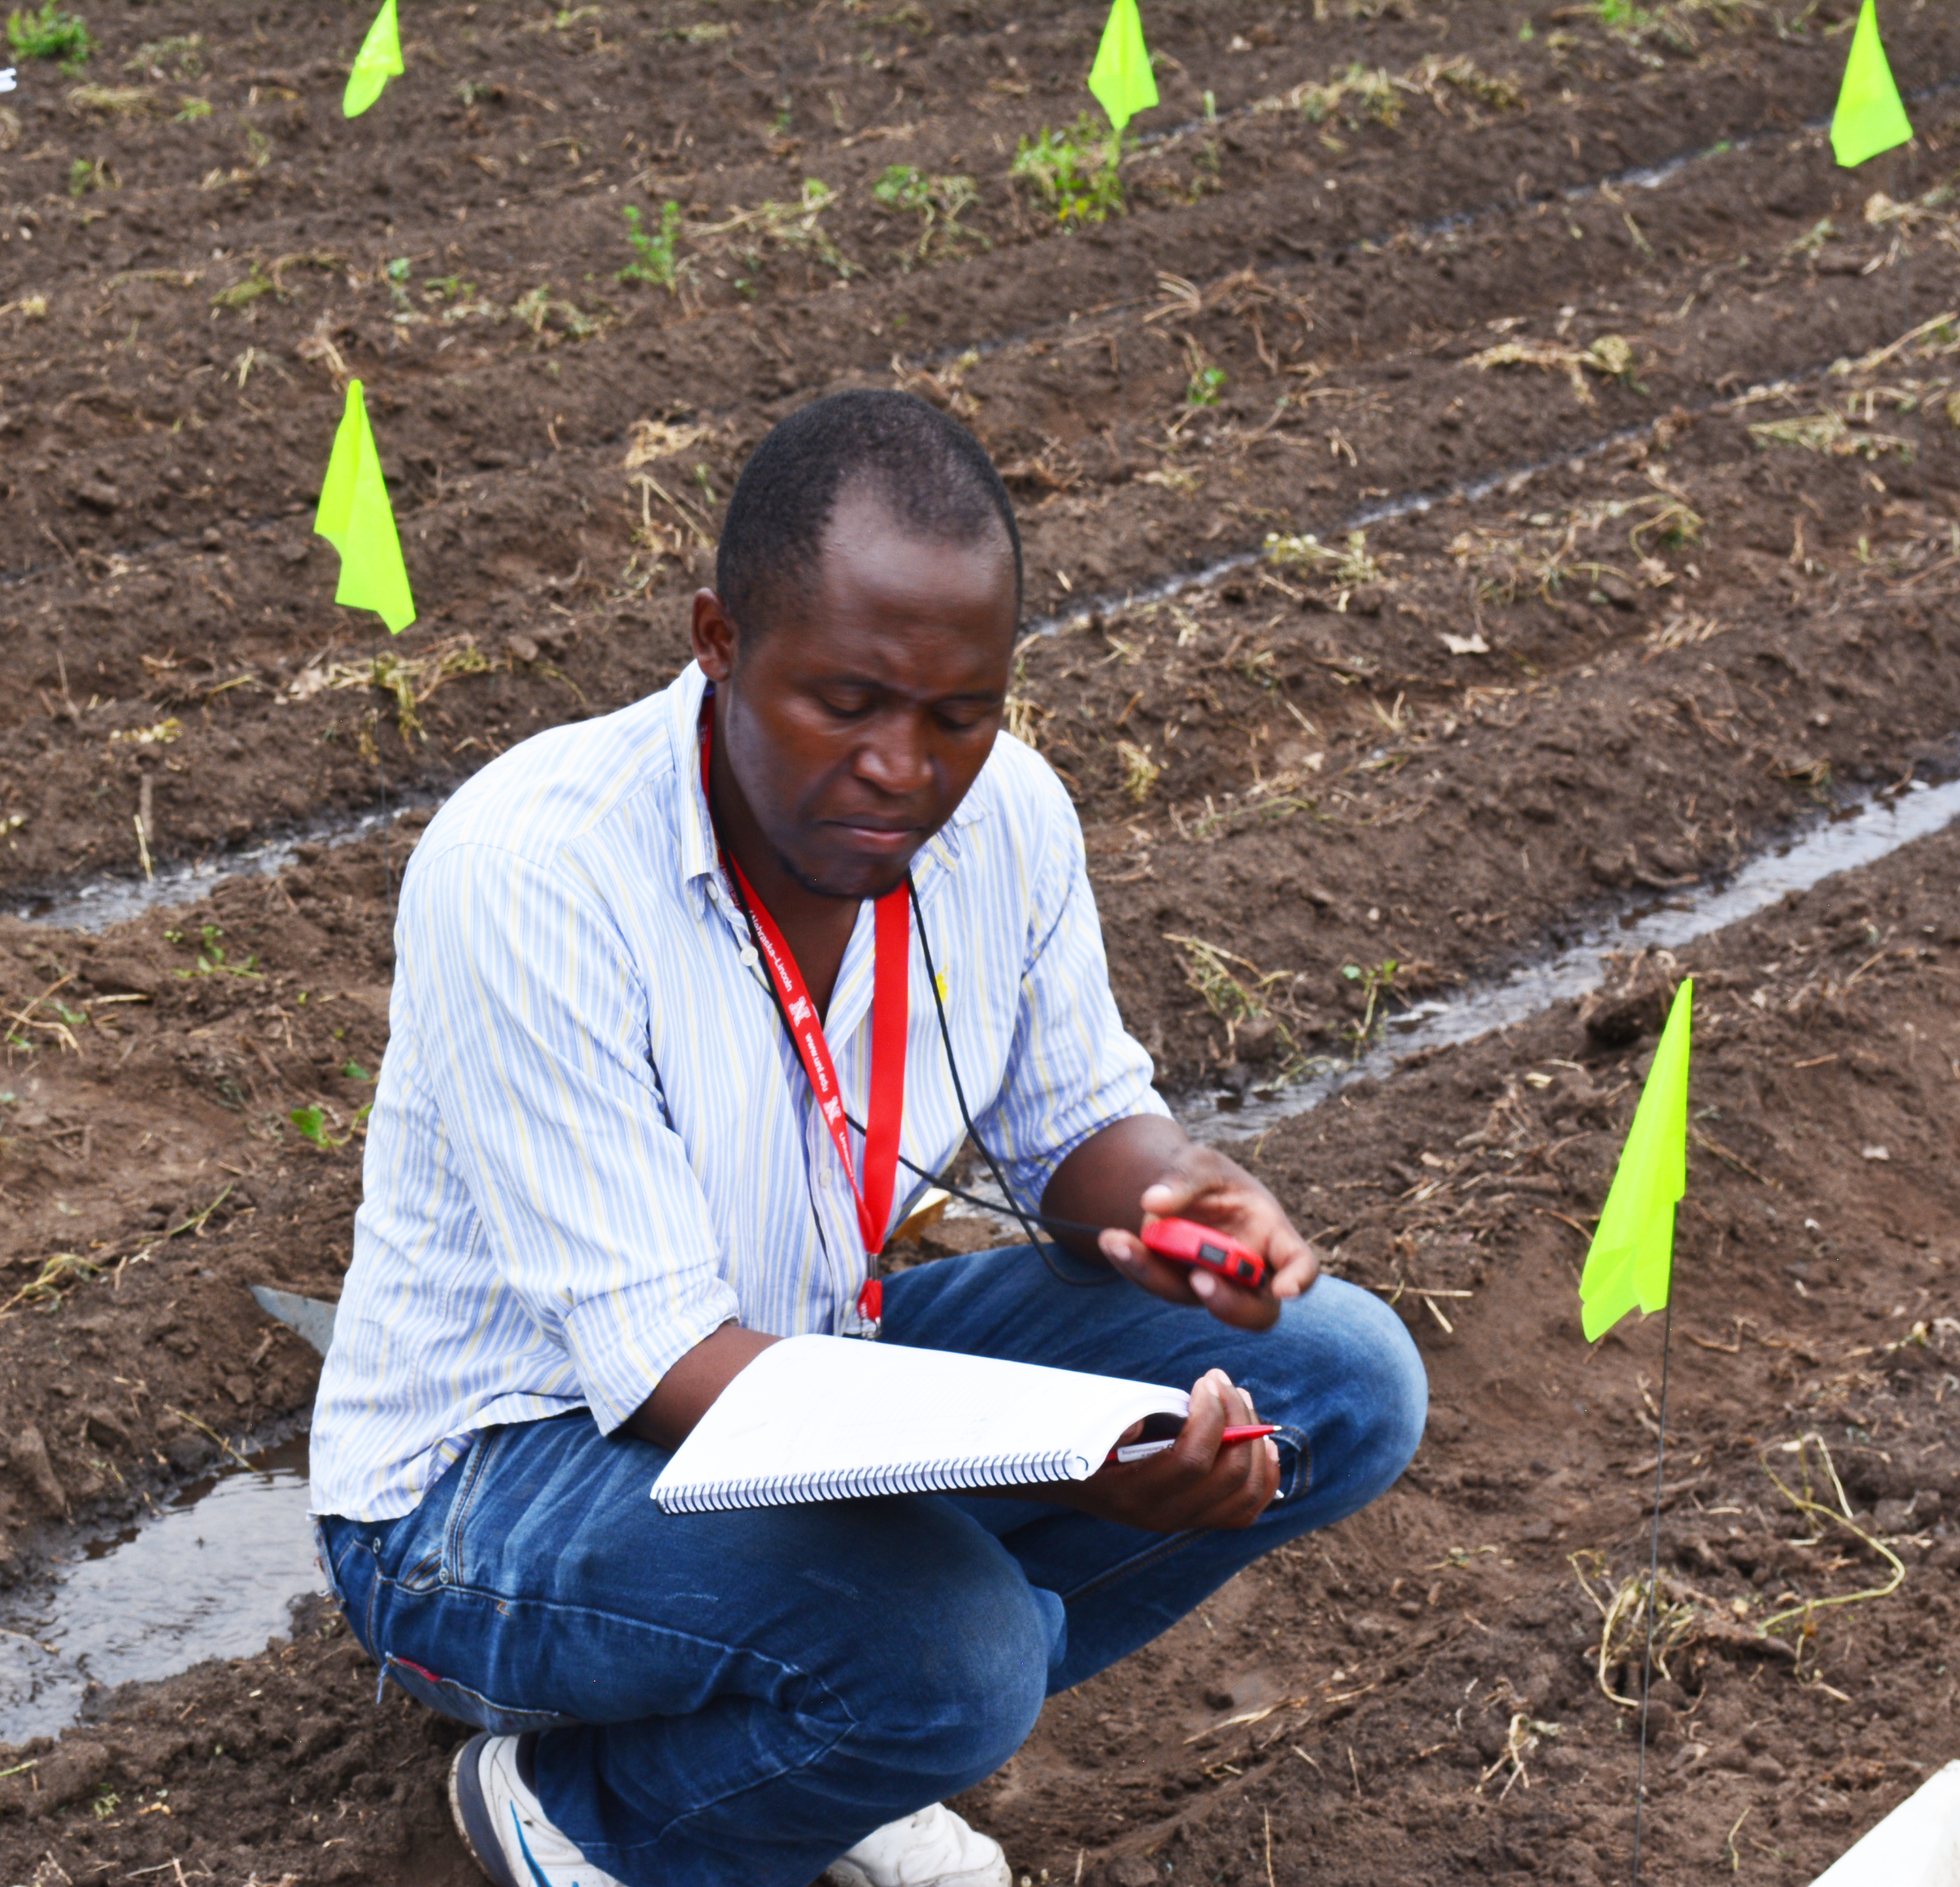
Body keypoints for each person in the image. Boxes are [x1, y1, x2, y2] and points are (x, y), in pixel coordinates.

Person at [309, 389, 1427, 1887]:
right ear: (718, 642)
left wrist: (1181, 1196)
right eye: (846, 704)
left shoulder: (1005, 818)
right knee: (956, 1650)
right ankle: (590, 1814)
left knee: (1340, 1381)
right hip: (488, 1486)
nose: (903, 767)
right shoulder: (537, 871)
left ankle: (833, 1735)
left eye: (958, 716)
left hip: (798, 1370)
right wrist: (1088, 1467)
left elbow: (1076, 1129)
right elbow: (661, 1371)